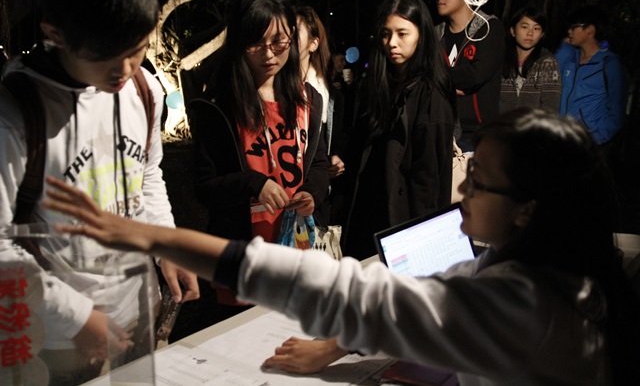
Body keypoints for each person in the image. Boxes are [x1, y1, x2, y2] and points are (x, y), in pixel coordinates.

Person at [45, 107, 640, 384]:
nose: (461, 190)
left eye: (478, 181)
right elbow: (428, 292)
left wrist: (154, 237)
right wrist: (341, 343)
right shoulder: (559, 270)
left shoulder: (530, 307)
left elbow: (361, 296)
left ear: (529, 209)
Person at [0, 0, 198, 383]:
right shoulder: (17, 113)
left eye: (137, 49)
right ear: (55, 34)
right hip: (57, 334)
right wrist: (76, 317)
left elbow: (147, 174)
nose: (124, 69)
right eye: (107, 54)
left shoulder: (144, 89)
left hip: (137, 306)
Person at [187, 0, 328, 317]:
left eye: (279, 41)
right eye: (256, 43)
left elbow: (318, 163)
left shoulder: (309, 99)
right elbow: (204, 188)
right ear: (239, 42)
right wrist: (253, 183)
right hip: (244, 260)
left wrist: (312, 192)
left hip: (295, 252)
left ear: (292, 38)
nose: (268, 54)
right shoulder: (218, 107)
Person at [341, 0, 456, 261]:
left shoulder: (431, 94)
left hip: (403, 221)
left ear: (421, 35)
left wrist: (423, 241)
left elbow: (429, 178)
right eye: (385, 34)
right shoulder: (378, 83)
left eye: (402, 34)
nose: (392, 42)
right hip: (366, 212)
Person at [433, 0, 505, 152]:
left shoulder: (489, 28)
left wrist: (438, 78)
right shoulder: (434, 34)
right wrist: (449, 82)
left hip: (477, 135)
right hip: (439, 128)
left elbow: (475, 75)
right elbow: (420, 73)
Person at [295, 6, 345, 227]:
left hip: (317, 199)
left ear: (314, 43)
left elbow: (330, 146)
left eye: (295, 32)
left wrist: (336, 159)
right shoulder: (271, 88)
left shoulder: (328, 96)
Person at [555, 5, 629, 145]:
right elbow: (550, 81)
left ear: (590, 29)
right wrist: (564, 49)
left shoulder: (609, 64)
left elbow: (617, 111)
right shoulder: (570, 58)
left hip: (588, 144)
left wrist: (595, 139)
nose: (569, 31)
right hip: (562, 139)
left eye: (574, 27)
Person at [500, 6, 561, 113]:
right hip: (503, 122)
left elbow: (551, 107)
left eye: (536, 29)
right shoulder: (500, 60)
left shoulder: (547, 63)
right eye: (524, 27)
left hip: (533, 123)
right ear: (513, 31)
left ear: (541, 35)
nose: (530, 33)